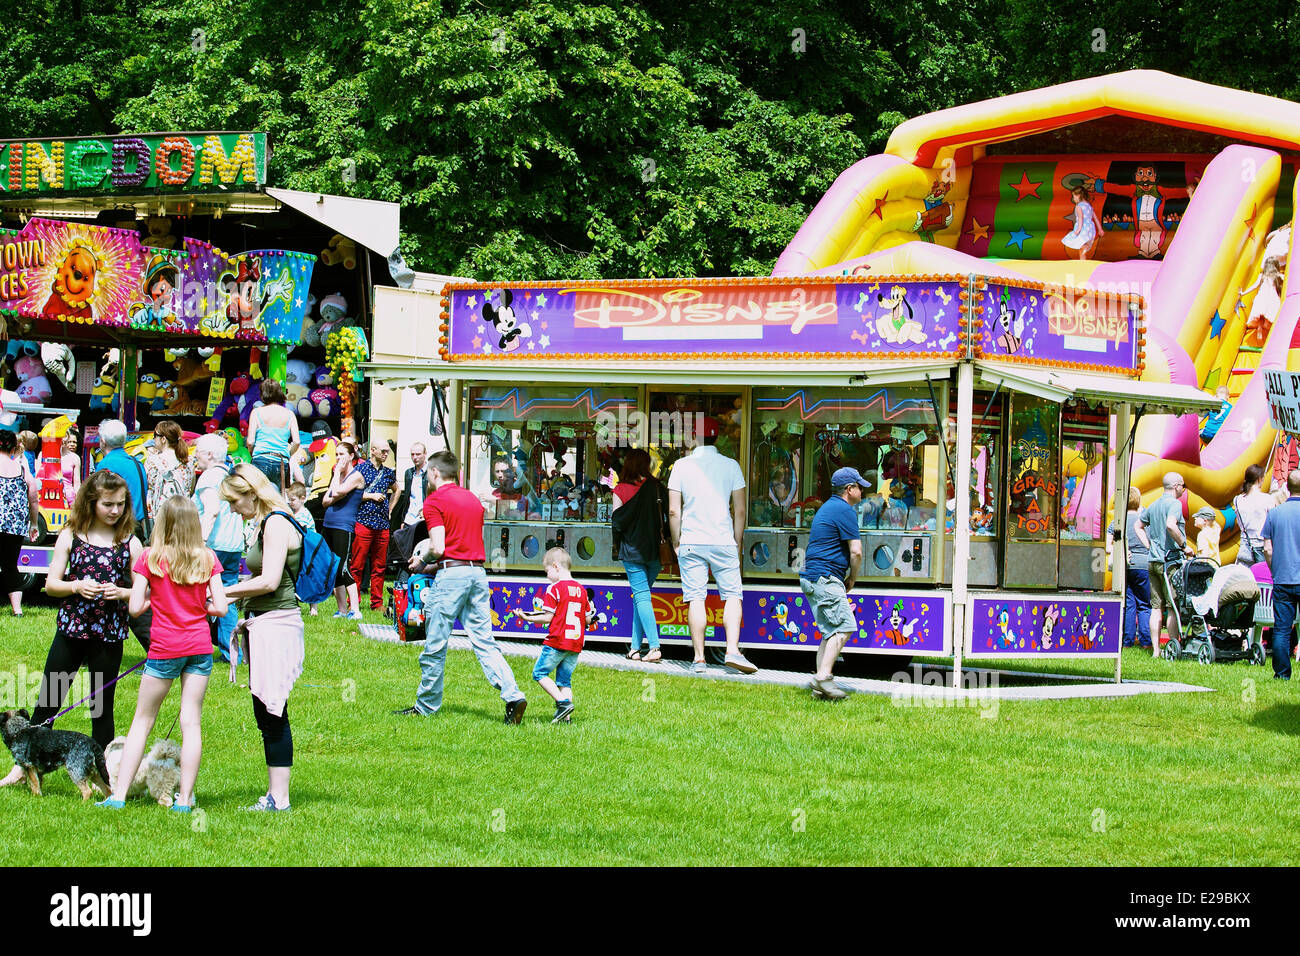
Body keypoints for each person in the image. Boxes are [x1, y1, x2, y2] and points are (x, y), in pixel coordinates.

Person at [0, 471, 141, 789]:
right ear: (91, 502)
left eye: (120, 504)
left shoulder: (130, 541)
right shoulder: (71, 535)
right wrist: (76, 585)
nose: (115, 510)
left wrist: (121, 592)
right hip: (71, 631)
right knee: (49, 701)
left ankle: (107, 777)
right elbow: (51, 585)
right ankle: (24, 768)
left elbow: (145, 591)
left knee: (101, 707)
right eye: (108, 504)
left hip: (108, 635)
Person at [97, 497, 227, 812]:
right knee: (191, 723)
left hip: (165, 647)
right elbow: (221, 607)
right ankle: (183, 800)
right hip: (199, 647)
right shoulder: (207, 558)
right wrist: (199, 607)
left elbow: (134, 606)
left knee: (142, 721)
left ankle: (119, 795)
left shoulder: (150, 558)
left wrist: (158, 599)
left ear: (163, 522)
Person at [394, 449, 528, 723]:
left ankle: (426, 705)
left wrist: (421, 559)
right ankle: (513, 695)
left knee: (435, 642)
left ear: (433, 472)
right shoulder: (473, 500)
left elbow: (440, 546)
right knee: (484, 641)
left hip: (451, 577)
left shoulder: (434, 502)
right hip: (477, 574)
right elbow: (463, 544)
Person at [221, 464, 306, 811]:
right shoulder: (267, 523)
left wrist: (226, 592)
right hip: (264, 622)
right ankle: (274, 794)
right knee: (266, 711)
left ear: (252, 494)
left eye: (235, 501)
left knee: (272, 711)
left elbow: (270, 581)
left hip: (277, 623)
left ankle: (280, 798)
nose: (232, 509)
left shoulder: (275, 523)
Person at [666, 416, 755, 674]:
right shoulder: (731, 466)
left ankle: (699, 659)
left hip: (691, 540)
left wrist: (676, 541)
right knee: (732, 596)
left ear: (694, 437)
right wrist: (736, 543)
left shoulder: (681, 466)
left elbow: (674, 511)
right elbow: (739, 510)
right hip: (723, 540)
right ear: (718, 437)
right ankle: (732, 650)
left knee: (695, 598)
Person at [799, 467, 866, 700]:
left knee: (829, 632)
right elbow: (856, 552)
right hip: (825, 577)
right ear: (849, 490)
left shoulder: (829, 507)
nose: (862, 491)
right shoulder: (844, 510)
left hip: (813, 576)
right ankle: (823, 678)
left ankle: (820, 687)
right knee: (845, 626)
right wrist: (853, 579)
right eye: (859, 487)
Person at [514, 547, 594, 723]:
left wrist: (526, 617)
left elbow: (547, 617)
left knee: (539, 673)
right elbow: (588, 619)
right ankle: (567, 719)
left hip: (557, 642)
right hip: (575, 644)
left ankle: (562, 703)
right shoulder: (582, 590)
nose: (546, 575)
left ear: (556, 566)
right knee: (564, 681)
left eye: (547, 571)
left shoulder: (554, 589)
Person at [191, 432, 245, 664]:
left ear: (210, 454)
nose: (195, 455)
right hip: (233, 544)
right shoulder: (227, 474)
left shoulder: (209, 477)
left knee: (196, 596)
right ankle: (232, 652)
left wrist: (200, 543)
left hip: (213, 545)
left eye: (199, 451)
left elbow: (211, 510)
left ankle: (195, 647)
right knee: (227, 597)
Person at [611, 447, 667, 663]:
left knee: (642, 598)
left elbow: (617, 522)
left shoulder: (620, 490)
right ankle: (634, 648)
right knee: (640, 599)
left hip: (632, 552)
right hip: (655, 552)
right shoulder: (657, 488)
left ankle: (654, 647)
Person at [1142, 471, 1194, 658]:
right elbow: (1171, 525)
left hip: (1153, 560)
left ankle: (1156, 650)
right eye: (1183, 485)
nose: (1183, 489)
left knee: (1156, 607)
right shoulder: (1175, 504)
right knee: (1172, 606)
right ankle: (1173, 648)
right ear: (1177, 486)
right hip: (1169, 562)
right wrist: (1184, 546)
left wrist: (1148, 545)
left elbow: (1138, 526)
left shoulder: (1154, 504)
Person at [1262, 470, 1300, 680]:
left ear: (1287, 487)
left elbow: (1267, 549)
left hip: (1283, 578)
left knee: (1282, 629)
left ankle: (1282, 673)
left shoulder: (1275, 513)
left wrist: (1275, 569)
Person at [350, 442, 397, 612]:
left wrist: (390, 509)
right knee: (357, 564)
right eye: (382, 451)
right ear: (373, 451)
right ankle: (353, 601)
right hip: (363, 521)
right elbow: (351, 493)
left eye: (387, 451)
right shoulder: (360, 470)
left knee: (380, 565)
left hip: (382, 523)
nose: (386, 454)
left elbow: (396, 489)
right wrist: (370, 496)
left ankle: (377, 603)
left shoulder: (388, 473)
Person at [321, 440, 364, 619]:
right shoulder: (336, 476)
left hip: (344, 527)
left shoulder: (355, 476)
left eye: (342, 454)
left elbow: (337, 493)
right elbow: (325, 501)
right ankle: (342, 609)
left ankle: (355, 609)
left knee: (343, 567)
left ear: (351, 456)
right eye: (336, 455)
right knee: (333, 568)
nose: (338, 458)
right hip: (329, 524)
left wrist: (336, 476)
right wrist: (335, 479)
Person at [0, 430, 40, 616]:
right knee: (10, 565)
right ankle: (17, 610)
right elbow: (33, 499)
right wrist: (33, 524)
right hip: (15, 526)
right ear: (14, 447)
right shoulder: (22, 468)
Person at [1109, 487, 1152, 649]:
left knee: (1129, 604)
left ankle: (1127, 641)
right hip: (1143, 564)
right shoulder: (1144, 521)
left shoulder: (1117, 522)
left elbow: (1108, 546)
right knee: (1144, 604)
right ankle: (1146, 642)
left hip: (1125, 565)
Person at [245, 379, 301, 492]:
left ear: (262, 393)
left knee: (259, 500)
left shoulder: (256, 412)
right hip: (281, 461)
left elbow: (250, 442)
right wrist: (287, 454)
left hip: (260, 459)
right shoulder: (289, 414)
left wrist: (253, 453)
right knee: (278, 501)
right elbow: (297, 442)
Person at [94, 420, 147, 527]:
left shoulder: (106, 465)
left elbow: (99, 498)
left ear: (103, 442)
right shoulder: (137, 463)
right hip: (137, 527)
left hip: (118, 526)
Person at [144, 420, 195, 521]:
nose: (153, 439)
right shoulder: (189, 461)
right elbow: (190, 488)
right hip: (183, 515)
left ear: (163, 439)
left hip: (160, 515)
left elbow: (148, 487)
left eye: (155, 435)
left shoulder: (152, 461)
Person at [285, 481, 320, 615]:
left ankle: (314, 608)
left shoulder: (304, 514)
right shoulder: (295, 514)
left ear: (303, 499)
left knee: (310, 578)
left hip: (309, 551)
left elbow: (300, 534)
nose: (291, 502)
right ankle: (295, 603)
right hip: (301, 551)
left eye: (293, 500)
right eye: (289, 500)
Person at [1234, 464, 1274, 567]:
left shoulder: (1237, 500)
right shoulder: (1267, 499)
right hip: (1261, 546)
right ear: (1259, 479)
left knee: (1245, 580)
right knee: (1262, 580)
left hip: (1244, 545)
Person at [392, 442, 429, 531]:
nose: (415, 457)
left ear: (425, 454)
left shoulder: (431, 472)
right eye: (412, 454)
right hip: (409, 520)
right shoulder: (408, 473)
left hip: (424, 519)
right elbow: (407, 499)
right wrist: (403, 520)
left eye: (418, 454)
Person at [1062, 185, 1101, 260]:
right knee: (1082, 246)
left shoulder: (1078, 206)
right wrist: (1100, 230)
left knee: (1081, 245)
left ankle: (1083, 258)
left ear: (1078, 195)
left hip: (1083, 228)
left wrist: (1078, 230)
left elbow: (1080, 218)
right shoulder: (1089, 206)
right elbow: (1095, 218)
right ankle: (1083, 260)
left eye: (1074, 196)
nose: (1073, 199)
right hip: (1090, 229)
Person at [61, 429, 82, 508]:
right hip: (49, 495)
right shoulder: (43, 454)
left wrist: (78, 501)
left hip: (69, 497)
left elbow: (77, 483)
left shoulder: (75, 458)